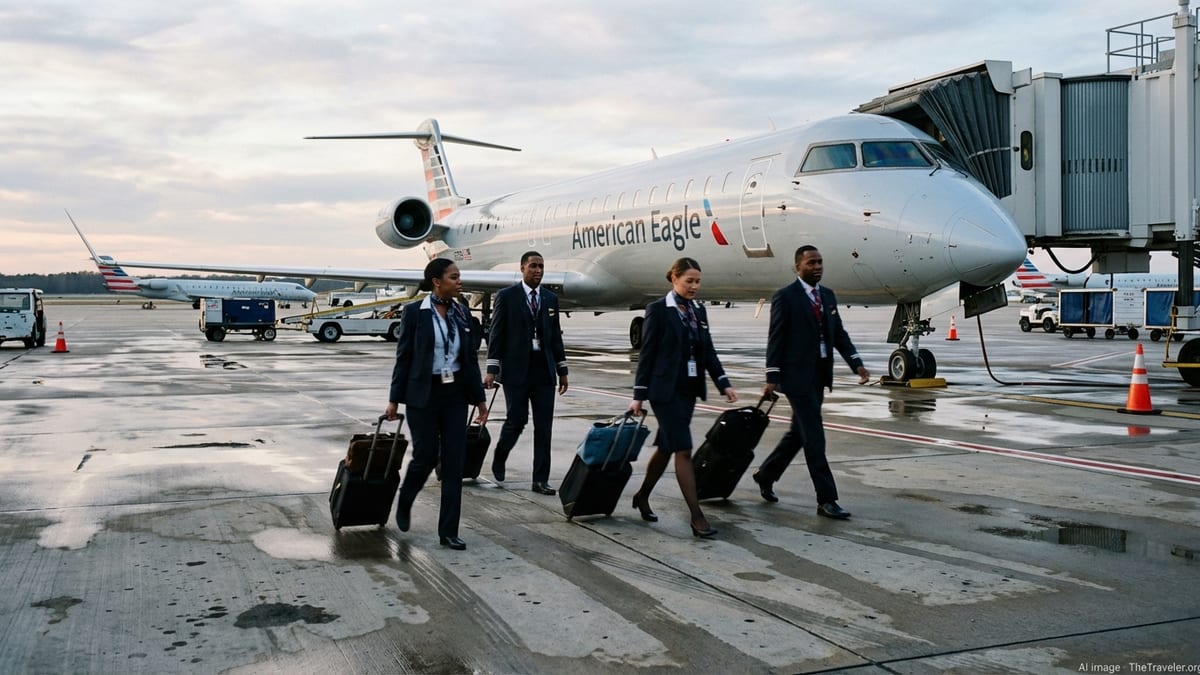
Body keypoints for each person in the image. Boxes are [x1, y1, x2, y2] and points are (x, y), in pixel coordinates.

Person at [752, 245, 871, 519]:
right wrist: (772, 376)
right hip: (795, 378)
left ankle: (766, 474)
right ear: (798, 267)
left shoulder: (827, 296)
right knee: (814, 437)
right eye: (811, 263)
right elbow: (776, 339)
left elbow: (838, 334)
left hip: (818, 376)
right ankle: (826, 499)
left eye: (820, 262)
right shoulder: (785, 297)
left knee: (799, 433)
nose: (817, 267)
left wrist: (857, 364)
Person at [628, 257, 737, 538]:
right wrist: (639, 396)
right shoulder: (658, 310)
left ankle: (642, 496)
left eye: (698, 281)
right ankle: (696, 516)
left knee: (667, 446)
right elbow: (647, 354)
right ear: (674, 279)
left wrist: (723, 383)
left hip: (688, 389)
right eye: (689, 281)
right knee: (683, 449)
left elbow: (708, 351)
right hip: (664, 392)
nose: (694, 286)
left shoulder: (698, 311)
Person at [385, 259, 488, 551]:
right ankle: (406, 499)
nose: (459, 281)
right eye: (454, 277)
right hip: (423, 395)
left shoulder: (462, 312)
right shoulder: (416, 313)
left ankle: (449, 531)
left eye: (459, 277)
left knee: (454, 463)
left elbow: (469, 359)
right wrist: (394, 400)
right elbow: (403, 357)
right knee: (427, 456)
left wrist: (479, 401)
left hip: (455, 393)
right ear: (436, 281)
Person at [485, 251, 569, 495]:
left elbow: (555, 336)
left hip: (544, 371)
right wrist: (492, 369)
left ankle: (540, 479)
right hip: (515, 371)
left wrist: (562, 370)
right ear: (522, 268)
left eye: (541, 266)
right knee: (517, 420)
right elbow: (496, 335)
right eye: (533, 266)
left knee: (544, 427)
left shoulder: (550, 298)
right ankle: (501, 455)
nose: (538, 271)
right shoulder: (506, 297)